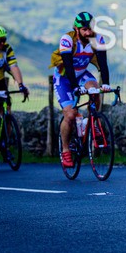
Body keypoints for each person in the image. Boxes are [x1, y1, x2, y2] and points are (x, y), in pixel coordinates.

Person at [49, 12, 111, 168]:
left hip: (82, 73)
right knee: (70, 115)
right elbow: (68, 65)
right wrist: (76, 87)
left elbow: (103, 63)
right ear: (76, 29)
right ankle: (65, 150)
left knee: (95, 90)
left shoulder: (98, 39)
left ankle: (93, 121)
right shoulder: (67, 40)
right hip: (64, 78)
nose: (88, 33)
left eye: (90, 29)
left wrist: (107, 83)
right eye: (85, 30)